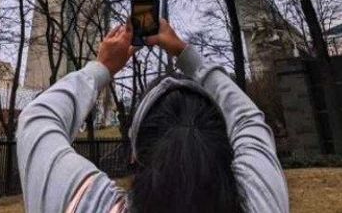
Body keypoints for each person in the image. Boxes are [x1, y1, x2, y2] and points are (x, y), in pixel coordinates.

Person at [17, 20, 289, 213]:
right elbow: (248, 119)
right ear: (223, 141)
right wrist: (185, 54)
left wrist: (103, 68)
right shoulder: (260, 201)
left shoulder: (92, 204)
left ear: (134, 154)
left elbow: (37, 119)